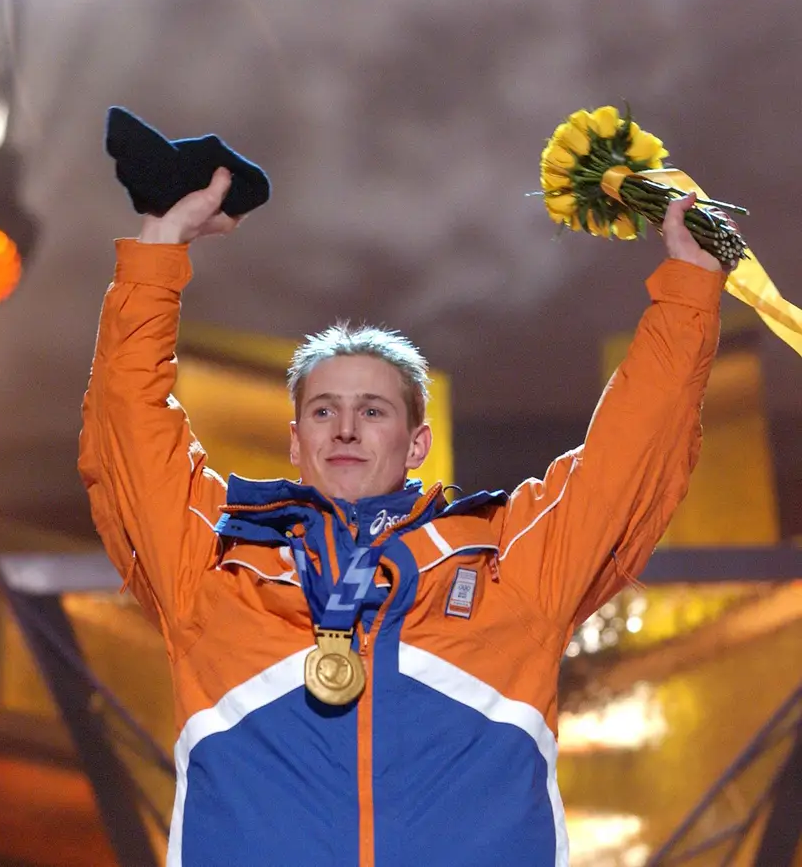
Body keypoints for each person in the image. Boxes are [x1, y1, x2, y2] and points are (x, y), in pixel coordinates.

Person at [79, 166, 729, 867]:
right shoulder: (213, 565)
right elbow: (128, 435)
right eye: (323, 410)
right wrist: (158, 250)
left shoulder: (505, 564)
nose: (347, 429)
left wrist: (688, 294)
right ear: (296, 440)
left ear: (416, 443)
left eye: (374, 410)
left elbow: (630, 457)